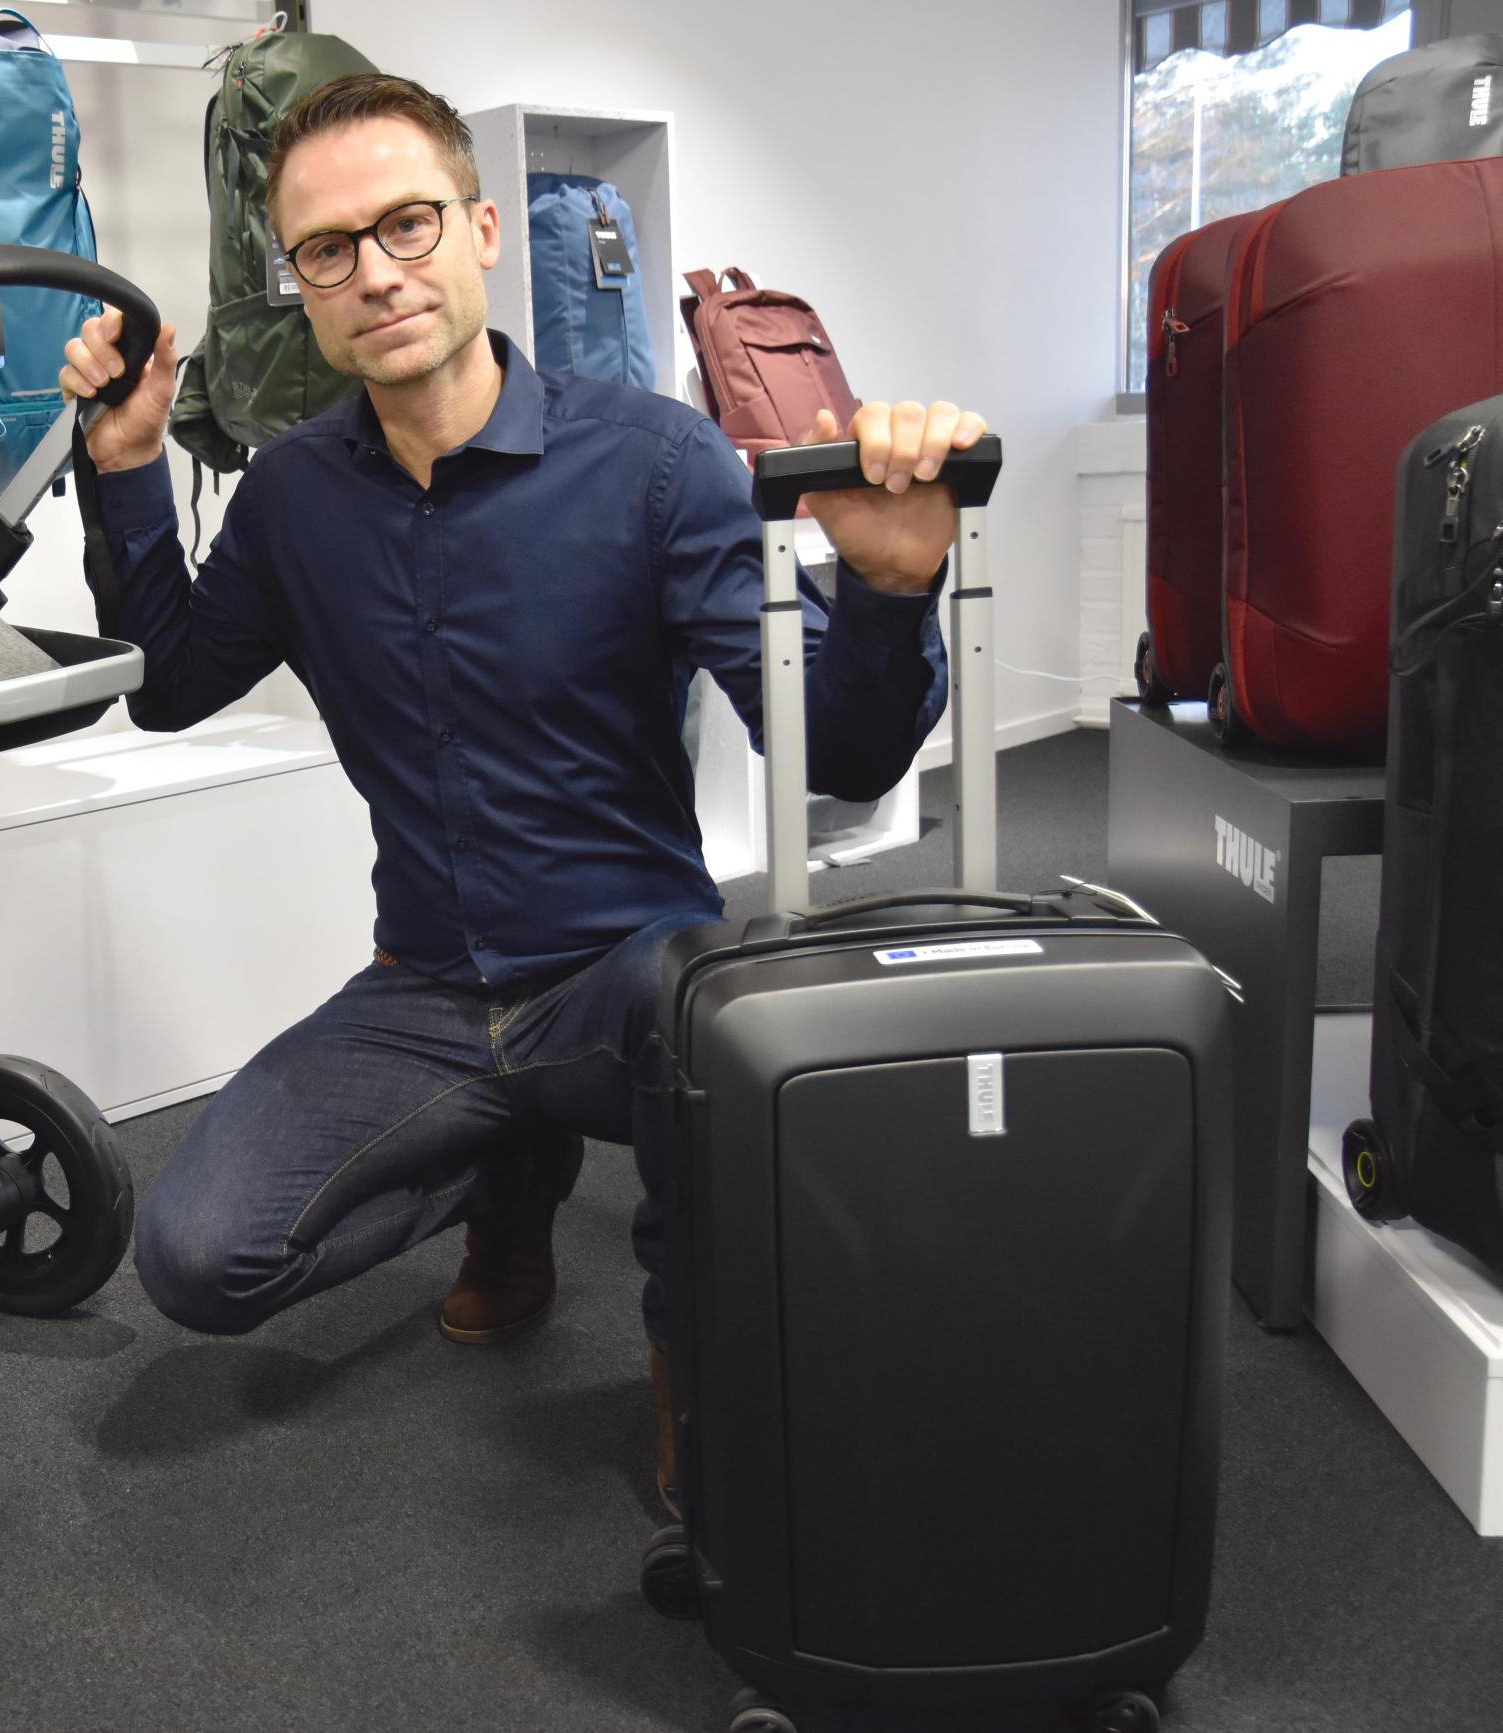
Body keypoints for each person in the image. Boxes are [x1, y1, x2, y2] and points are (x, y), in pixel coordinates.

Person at [58, 73, 984, 1514]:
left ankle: (693, 1369)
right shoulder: (292, 496)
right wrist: (122, 471)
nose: (377, 273)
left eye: (408, 223)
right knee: (199, 1258)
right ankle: (509, 1157)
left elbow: (844, 761)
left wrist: (888, 590)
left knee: (713, 1049)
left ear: (482, 229)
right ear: (300, 286)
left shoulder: (654, 462)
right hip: (426, 986)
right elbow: (169, 682)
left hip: (628, 974)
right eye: (328, 249)